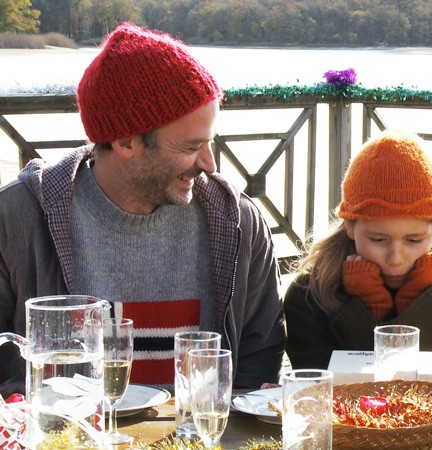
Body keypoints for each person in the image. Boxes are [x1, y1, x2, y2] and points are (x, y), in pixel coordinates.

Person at [0, 23, 285, 395]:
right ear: (125, 142)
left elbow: (258, 366)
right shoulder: (17, 218)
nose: (209, 164)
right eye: (191, 147)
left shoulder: (238, 222)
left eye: (209, 142)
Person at [284, 130, 432, 370]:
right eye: (378, 239)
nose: (396, 258)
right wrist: (371, 307)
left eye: (414, 240)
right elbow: (322, 384)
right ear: (349, 226)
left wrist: (424, 299)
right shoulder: (310, 294)